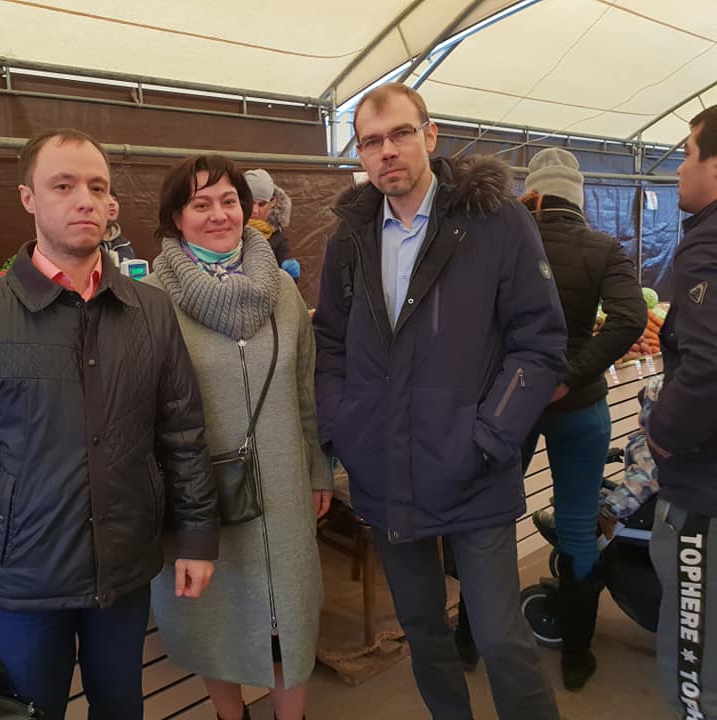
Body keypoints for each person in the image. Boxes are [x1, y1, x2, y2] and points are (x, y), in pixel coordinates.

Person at [0, 128, 219, 720]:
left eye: (97, 187)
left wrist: (196, 536)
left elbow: (182, 432)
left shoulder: (149, 310)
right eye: (63, 186)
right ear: (28, 198)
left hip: (124, 569)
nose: (85, 200)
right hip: (25, 579)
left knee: (121, 707)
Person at [313, 82, 566, 720]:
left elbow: (539, 341)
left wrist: (490, 435)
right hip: (385, 467)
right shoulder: (351, 237)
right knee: (424, 632)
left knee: (501, 637)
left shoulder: (495, 221)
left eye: (400, 134)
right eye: (371, 141)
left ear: (430, 135)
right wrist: (346, 428)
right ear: (360, 155)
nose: (387, 151)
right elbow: (330, 340)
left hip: (471, 466)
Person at [146, 154, 333, 720]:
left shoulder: (282, 291)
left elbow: (305, 388)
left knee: (290, 617)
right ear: (176, 217)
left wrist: (318, 470)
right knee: (216, 616)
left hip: (283, 485)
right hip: (198, 495)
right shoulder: (151, 300)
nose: (219, 214)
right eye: (200, 204)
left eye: (228, 201)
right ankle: (232, 715)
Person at [517, 147, 646, 689]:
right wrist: (571, 376)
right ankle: (576, 657)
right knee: (577, 523)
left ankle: (472, 637)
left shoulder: (511, 243)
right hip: (582, 403)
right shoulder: (604, 246)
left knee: (491, 517)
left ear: (533, 191)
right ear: (578, 196)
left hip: (515, 401)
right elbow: (631, 317)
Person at [646, 105, 717, 719]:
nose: (677, 169)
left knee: (696, 660)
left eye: (688, 154)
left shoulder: (707, 247)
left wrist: (662, 432)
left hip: (703, 489)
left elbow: (709, 364)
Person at [244, 168, 296, 272]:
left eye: (262, 204)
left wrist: (292, 274)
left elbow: (287, 280)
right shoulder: (227, 230)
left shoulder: (278, 238)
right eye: (250, 203)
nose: (255, 211)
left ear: (272, 202)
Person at [101, 190, 137, 266]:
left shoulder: (125, 245)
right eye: (106, 199)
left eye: (114, 199)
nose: (112, 203)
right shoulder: (84, 246)